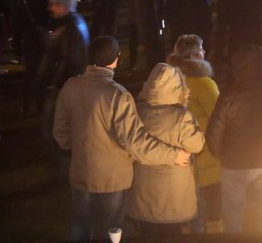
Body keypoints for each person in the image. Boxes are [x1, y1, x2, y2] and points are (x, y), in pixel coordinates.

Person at [52, 36, 192, 243]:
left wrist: (79, 149)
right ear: (116, 59)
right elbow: (135, 142)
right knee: (111, 231)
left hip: (82, 171)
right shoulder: (118, 96)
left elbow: (61, 131)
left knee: (81, 225)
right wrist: (174, 155)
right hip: (113, 178)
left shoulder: (71, 86)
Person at [207, 46, 262, 234]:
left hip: (233, 164)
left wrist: (221, 153)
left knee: (233, 213)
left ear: (237, 67)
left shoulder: (228, 96)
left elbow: (215, 131)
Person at [125, 63, 206, 237]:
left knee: (148, 234)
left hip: (143, 191)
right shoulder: (181, 116)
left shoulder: (137, 111)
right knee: (172, 234)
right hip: (174, 195)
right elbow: (196, 145)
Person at [167, 35, 223, 232]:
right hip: (207, 156)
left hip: (180, 157)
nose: (204, 53)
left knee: (189, 212)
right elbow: (219, 117)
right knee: (214, 210)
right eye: (200, 50)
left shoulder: (171, 82)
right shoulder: (203, 84)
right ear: (192, 56)